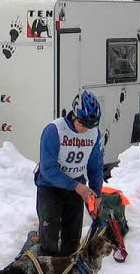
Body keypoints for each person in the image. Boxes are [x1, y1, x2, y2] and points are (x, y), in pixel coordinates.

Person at [34, 90, 104, 256]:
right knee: (49, 235)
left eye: (90, 126)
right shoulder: (54, 130)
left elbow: (95, 166)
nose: (85, 129)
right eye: (82, 124)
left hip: (75, 189)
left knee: (72, 239)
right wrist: (76, 186)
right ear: (74, 115)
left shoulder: (94, 134)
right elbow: (47, 168)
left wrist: (97, 193)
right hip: (49, 187)